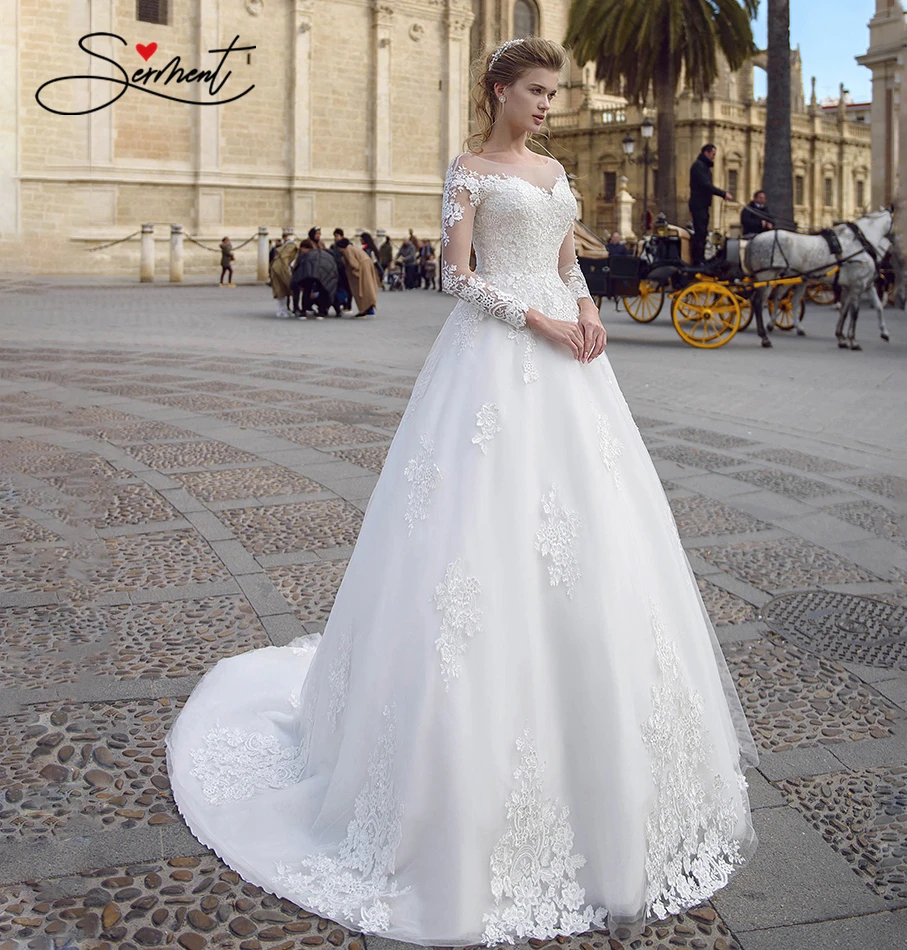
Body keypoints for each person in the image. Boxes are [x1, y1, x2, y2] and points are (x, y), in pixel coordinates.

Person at [166, 35, 757, 948]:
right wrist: (538, 321)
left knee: (596, 534)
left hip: (571, 367)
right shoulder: (470, 170)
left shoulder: (555, 171)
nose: (548, 104)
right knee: (471, 539)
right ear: (498, 90)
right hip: (494, 360)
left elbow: (567, 262)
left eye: (554, 91)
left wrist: (585, 308)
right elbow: (457, 274)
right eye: (536, 90)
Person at [688, 144, 733, 264]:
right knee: (700, 232)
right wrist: (723, 194)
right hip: (698, 204)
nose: (714, 157)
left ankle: (700, 258)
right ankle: (698, 260)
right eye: (713, 154)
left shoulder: (703, 167)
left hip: (703, 204)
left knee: (703, 232)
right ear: (706, 153)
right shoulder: (698, 166)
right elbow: (706, 185)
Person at [338, 237, 378, 317]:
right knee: (368, 288)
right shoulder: (352, 248)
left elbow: (353, 263)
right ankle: (369, 309)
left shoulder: (347, 251)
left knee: (363, 290)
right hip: (366, 265)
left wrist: (355, 273)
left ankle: (366, 309)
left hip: (362, 268)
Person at [269, 232, 298, 318]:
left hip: (277, 269)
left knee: (282, 291)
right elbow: (286, 259)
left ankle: (283, 310)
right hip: (281, 270)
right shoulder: (291, 247)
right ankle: (281, 310)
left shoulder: (284, 248)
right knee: (282, 291)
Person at [329, 228, 352, 316]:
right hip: (337, 270)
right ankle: (340, 304)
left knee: (348, 288)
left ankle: (348, 305)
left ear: (341, 236)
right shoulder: (333, 246)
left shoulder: (348, 245)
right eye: (334, 236)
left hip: (345, 270)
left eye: (337, 236)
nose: (335, 238)